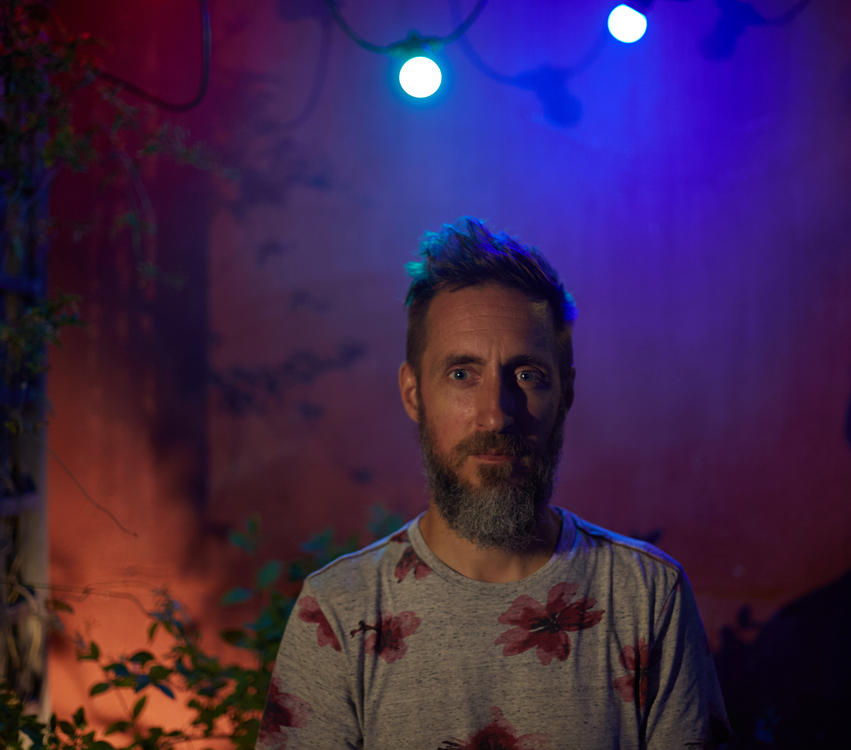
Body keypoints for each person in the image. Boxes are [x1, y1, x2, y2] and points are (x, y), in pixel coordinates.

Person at [256, 218, 729, 749]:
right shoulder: (340, 610)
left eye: (527, 375)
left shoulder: (648, 596)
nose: (496, 415)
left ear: (566, 392)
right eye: (462, 374)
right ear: (414, 394)